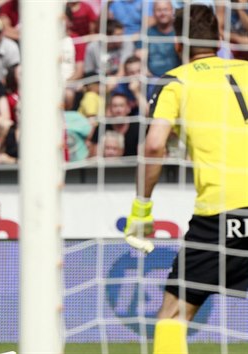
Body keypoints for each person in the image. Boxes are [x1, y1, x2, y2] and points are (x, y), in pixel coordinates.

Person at [123, 6, 248, 354]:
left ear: (178, 44)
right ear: (220, 40)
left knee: (174, 314)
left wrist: (141, 209)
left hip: (223, 212)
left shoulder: (176, 80)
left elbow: (153, 145)